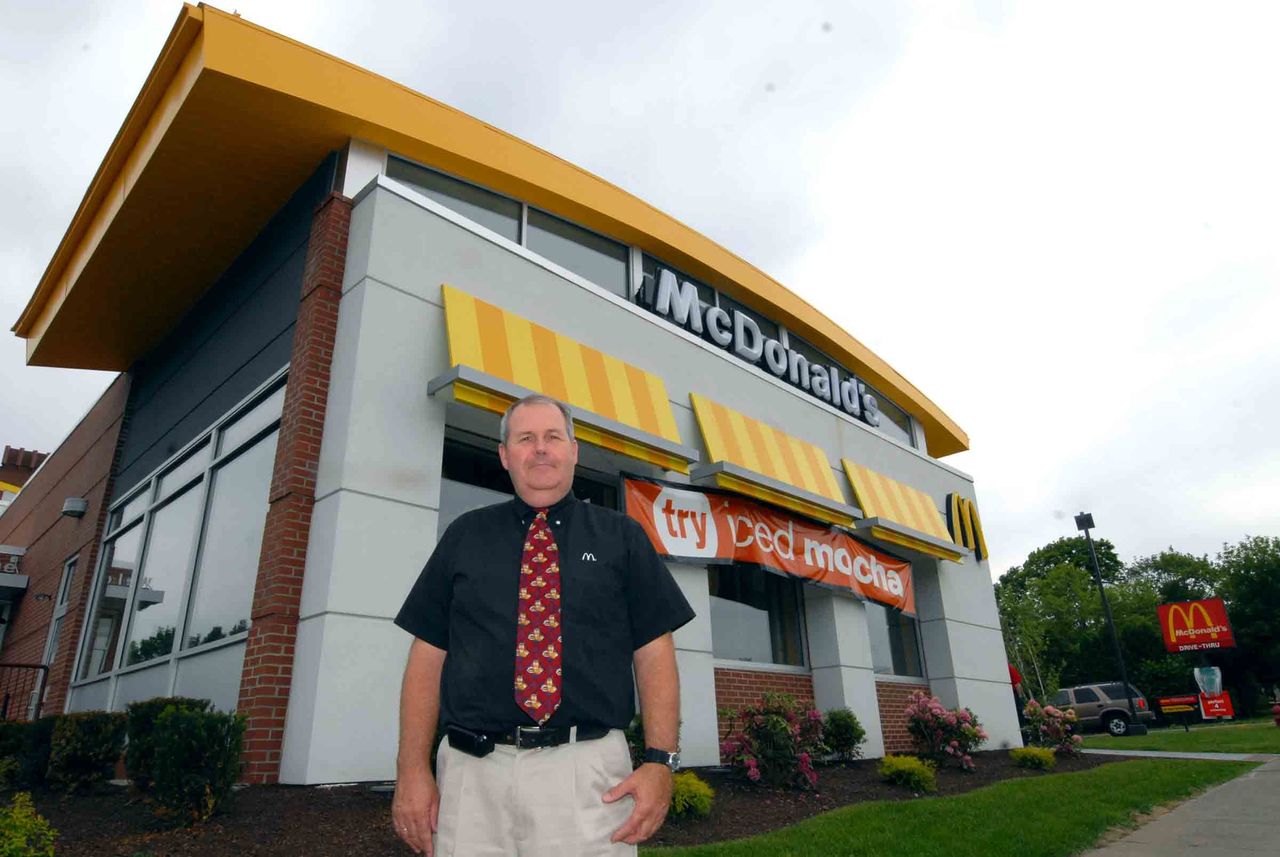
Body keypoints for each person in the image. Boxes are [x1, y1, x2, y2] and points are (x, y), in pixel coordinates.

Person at [392, 394, 695, 856]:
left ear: (573, 450)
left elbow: (655, 653)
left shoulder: (622, 538)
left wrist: (660, 762)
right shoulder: (463, 537)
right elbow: (427, 657)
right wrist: (412, 770)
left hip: (588, 777)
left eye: (553, 437)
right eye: (525, 438)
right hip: (472, 781)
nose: (540, 449)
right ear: (504, 455)